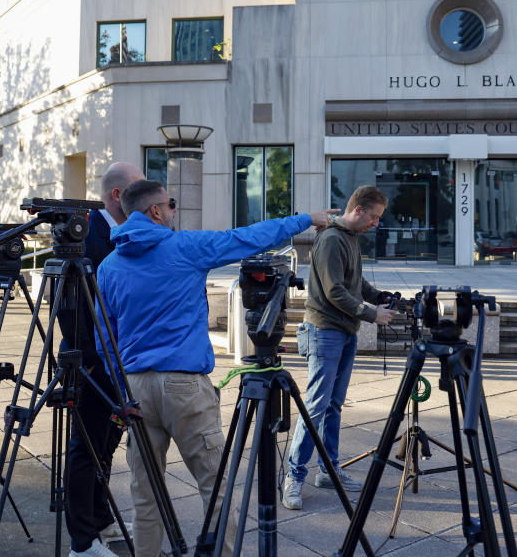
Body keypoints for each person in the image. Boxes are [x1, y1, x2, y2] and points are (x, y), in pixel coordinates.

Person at [95, 178, 336, 557]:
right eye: (171, 204)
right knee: (215, 487)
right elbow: (246, 238)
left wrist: (122, 389)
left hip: (135, 388)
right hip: (184, 388)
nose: (175, 211)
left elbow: (104, 339)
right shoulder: (183, 247)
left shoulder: (108, 265)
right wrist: (304, 218)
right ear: (155, 211)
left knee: (145, 494)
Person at [282, 185, 394, 511]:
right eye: (373, 216)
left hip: (344, 333)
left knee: (333, 406)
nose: (376, 223)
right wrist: (374, 313)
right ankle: (293, 477)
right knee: (315, 407)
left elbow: (354, 284)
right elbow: (335, 293)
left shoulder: (351, 238)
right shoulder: (331, 240)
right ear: (358, 210)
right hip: (324, 333)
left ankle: (328, 470)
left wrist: (379, 296)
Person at [58, 162, 145, 557]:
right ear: (118, 196)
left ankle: (100, 518)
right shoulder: (84, 233)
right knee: (84, 448)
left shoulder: (126, 233)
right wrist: (91, 360)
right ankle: (81, 541)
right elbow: (68, 305)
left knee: (106, 444)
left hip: (120, 360)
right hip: (91, 362)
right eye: (138, 188)